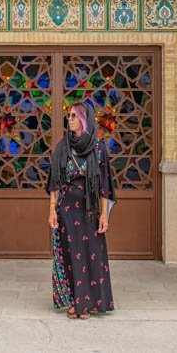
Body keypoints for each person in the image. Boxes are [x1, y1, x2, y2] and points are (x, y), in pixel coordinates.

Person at [47, 101, 117, 320]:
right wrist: (52, 210)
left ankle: (89, 302)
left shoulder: (99, 149)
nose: (70, 120)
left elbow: (105, 186)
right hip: (67, 210)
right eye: (69, 116)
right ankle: (76, 303)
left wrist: (104, 214)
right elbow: (54, 183)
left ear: (85, 120)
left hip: (90, 211)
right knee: (71, 254)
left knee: (90, 255)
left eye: (74, 116)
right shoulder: (62, 148)